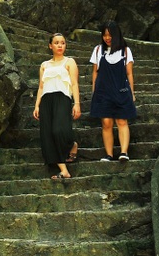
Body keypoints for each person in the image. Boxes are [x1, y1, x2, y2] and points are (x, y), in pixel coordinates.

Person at [33, 32, 82, 179]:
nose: (60, 45)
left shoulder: (69, 62)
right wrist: (37, 106)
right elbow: (41, 87)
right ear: (50, 46)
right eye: (56, 43)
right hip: (46, 100)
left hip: (63, 98)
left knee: (58, 130)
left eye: (62, 43)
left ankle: (72, 144)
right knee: (47, 135)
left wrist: (77, 104)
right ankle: (64, 170)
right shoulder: (44, 65)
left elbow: (74, 83)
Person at [89, 20, 136, 162]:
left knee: (122, 121)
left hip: (121, 91)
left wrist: (132, 93)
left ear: (117, 35)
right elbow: (95, 73)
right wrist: (94, 91)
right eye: (104, 35)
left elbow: (129, 74)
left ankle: (124, 152)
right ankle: (108, 154)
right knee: (106, 123)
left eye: (110, 35)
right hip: (103, 92)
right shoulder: (98, 50)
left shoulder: (126, 51)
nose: (107, 38)